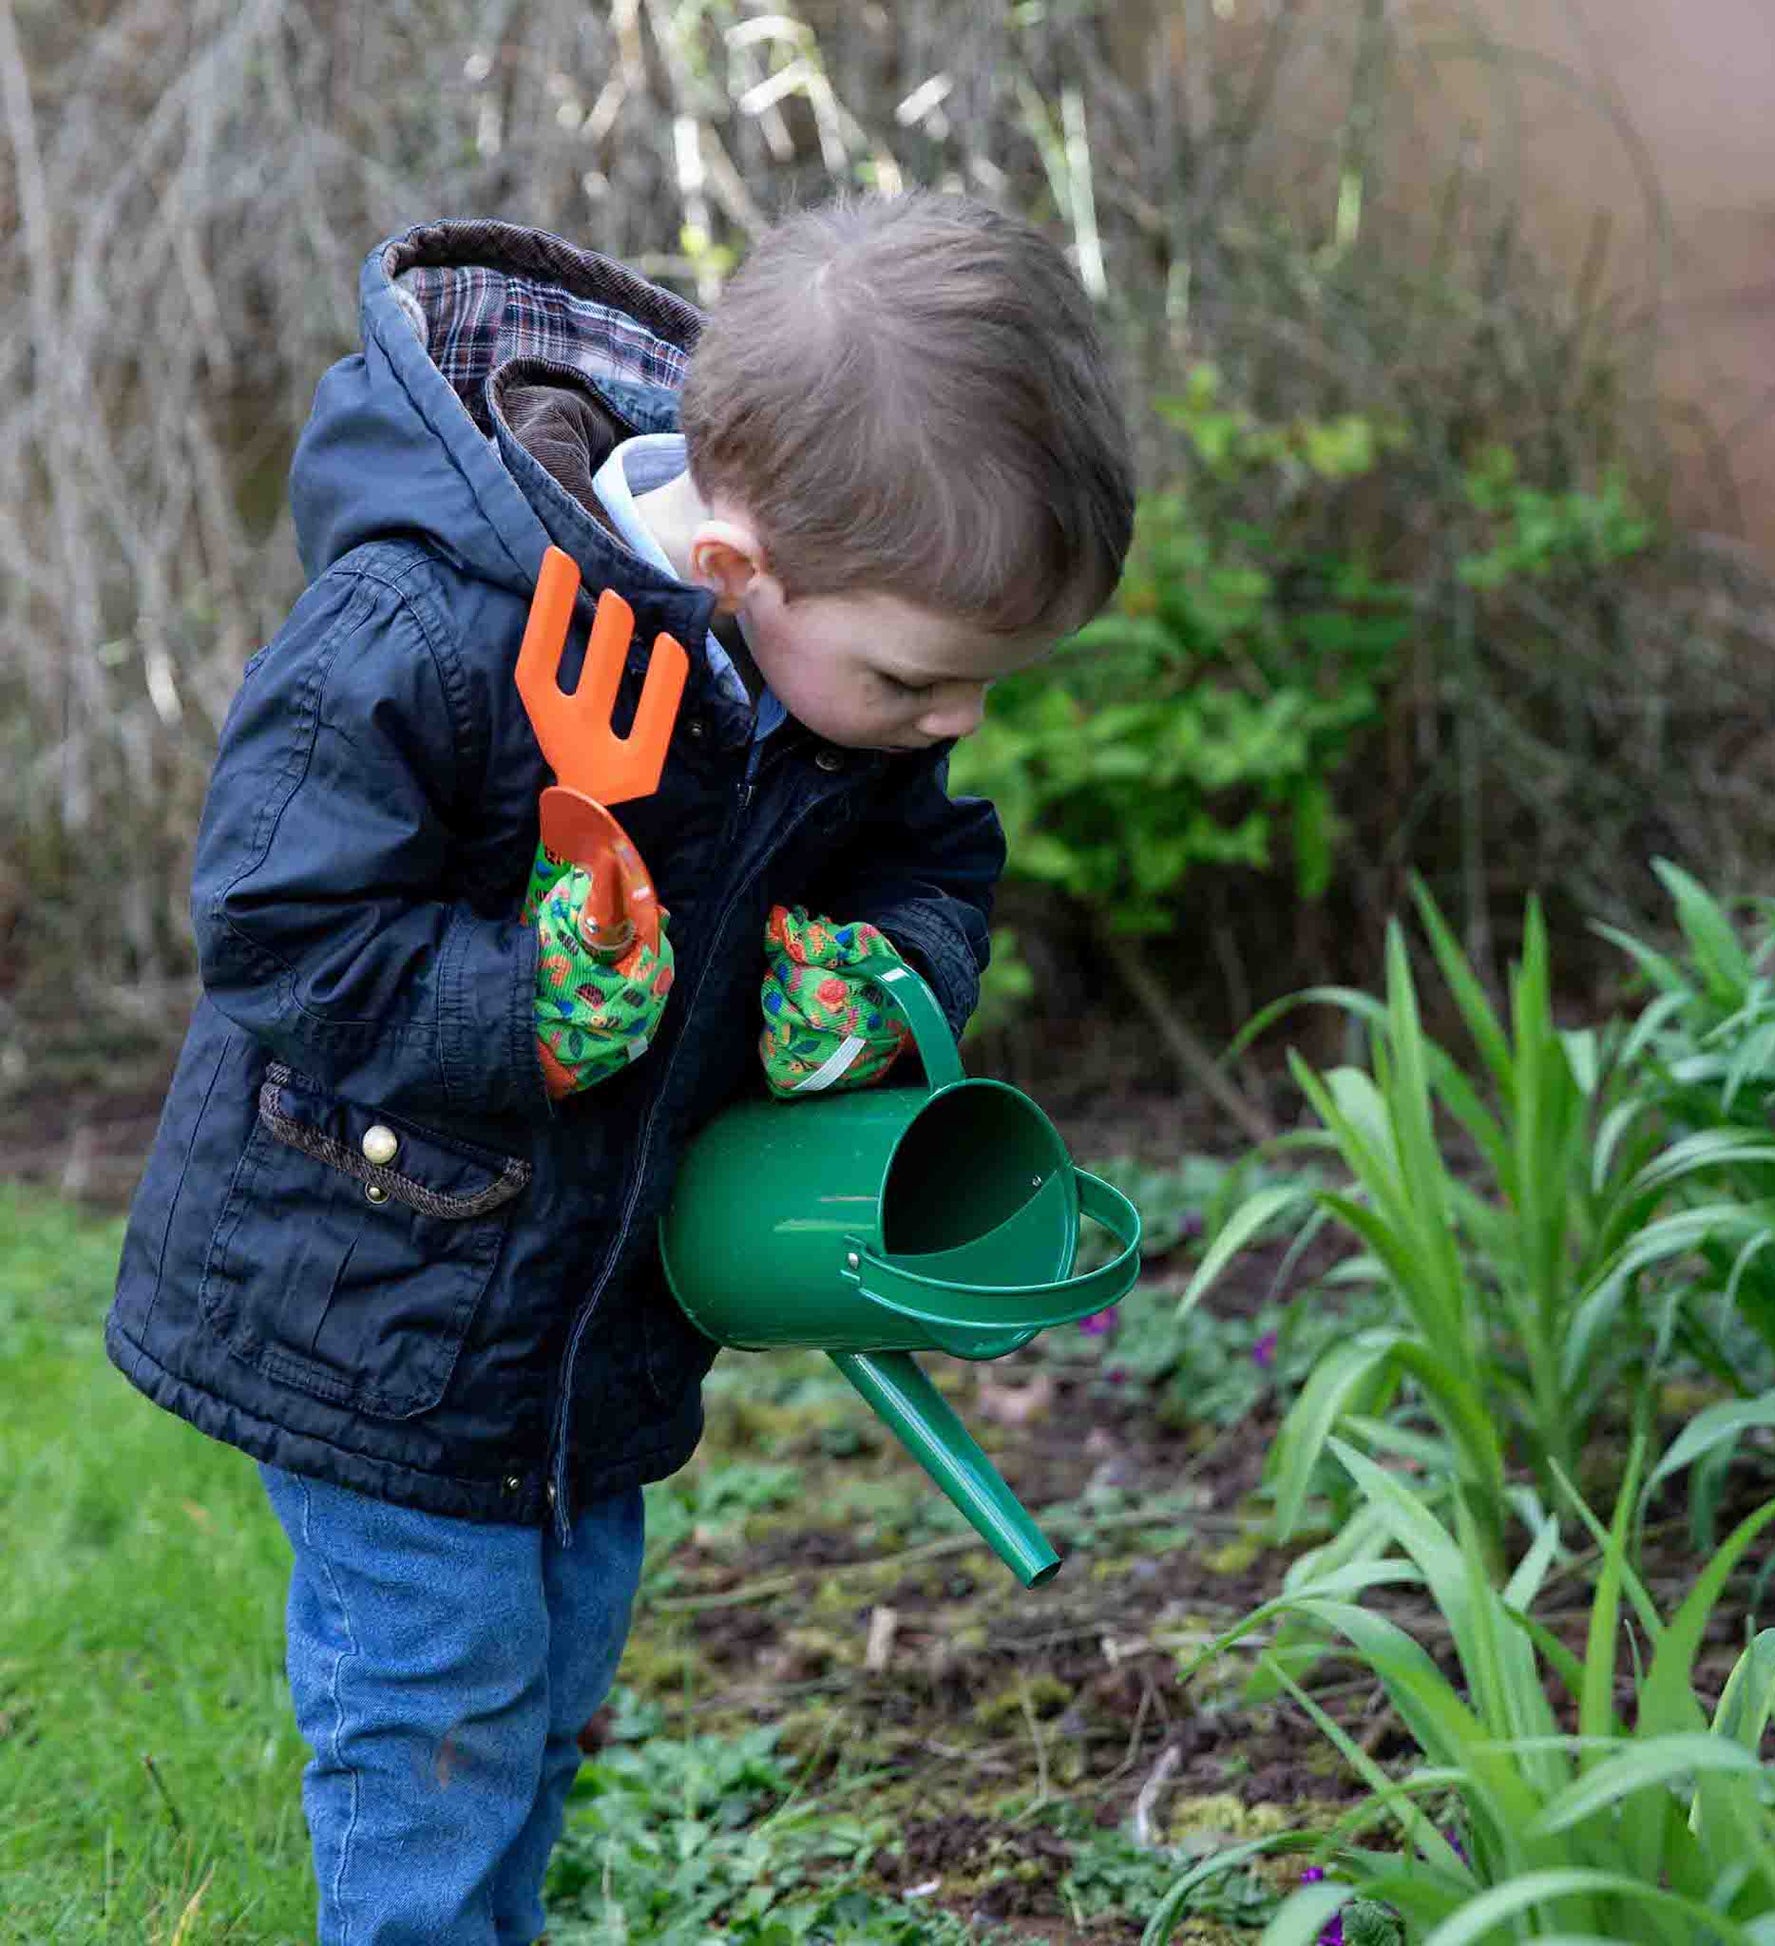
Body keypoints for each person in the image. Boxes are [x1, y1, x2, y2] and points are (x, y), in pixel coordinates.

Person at [105, 194, 1134, 1945]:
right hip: (380, 1299)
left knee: (555, 1686)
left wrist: (882, 974)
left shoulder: (827, 691)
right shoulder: (430, 630)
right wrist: (526, 1011)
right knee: (435, 1711)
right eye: (920, 679)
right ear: (738, 570)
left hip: (595, 1337)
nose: (948, 722)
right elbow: (281, 931)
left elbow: (933, 864)